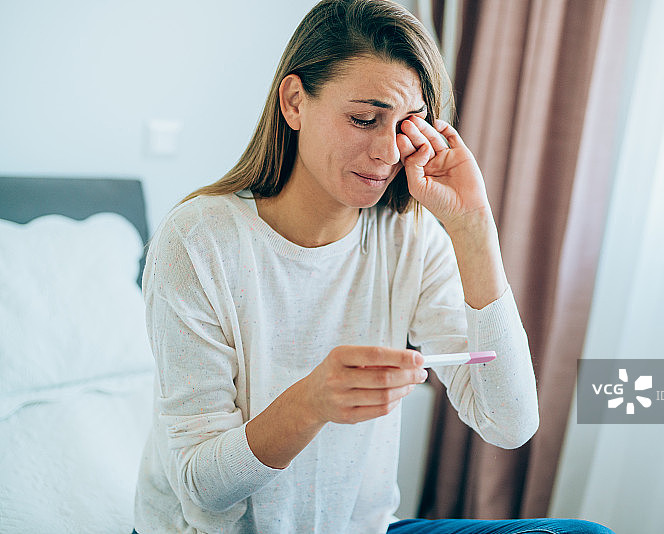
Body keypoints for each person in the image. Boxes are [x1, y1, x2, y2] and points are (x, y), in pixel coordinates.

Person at [133, 1, 615, 533]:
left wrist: (474, 228)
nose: (387, 151)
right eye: (364, 119)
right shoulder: (199, 240)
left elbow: (511, 423)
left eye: (407, 126)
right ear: (294, 103)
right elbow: (200, 485)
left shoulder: (408, 237)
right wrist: (311, 401)